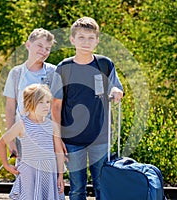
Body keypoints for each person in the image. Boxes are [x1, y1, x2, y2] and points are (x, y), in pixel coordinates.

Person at [51, 16, 124, 200]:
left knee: (102, 186)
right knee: (77, 188)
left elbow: (116, 87)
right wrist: (57, 138)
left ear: (97, 41)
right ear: (72, 40)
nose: (86, 42)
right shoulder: (63, 68)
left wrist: (116, 91)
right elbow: (56, 107)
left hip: (100, 138)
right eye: (81, 37)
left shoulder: (104, 64)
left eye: (91, 38)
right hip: (72, 140)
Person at [0, 84, 65, 200]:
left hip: (49, 173)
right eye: (41, 102)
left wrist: (60, 176)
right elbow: (1, 143)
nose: (46, 106)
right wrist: (6, 165)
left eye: (48, 102)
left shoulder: (52, 126)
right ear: (29, 103)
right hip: (29, 173)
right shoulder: (22, 124)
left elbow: (59, 151)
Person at [3, 28, 56, 155]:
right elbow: (10, 108)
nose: (43, 51)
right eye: (40, 45)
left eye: (48, 48)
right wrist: (10, 140)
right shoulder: (16, 73)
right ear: (28, 45)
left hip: (47, 136)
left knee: (47, 172)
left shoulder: (53, 72)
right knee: (25, 172)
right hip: (22, 135)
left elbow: (57, 107)